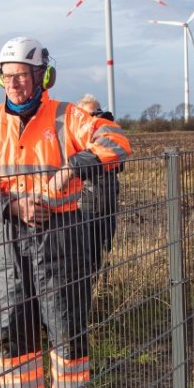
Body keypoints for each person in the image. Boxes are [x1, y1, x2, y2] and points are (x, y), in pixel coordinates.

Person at [0, 37, 131, 388]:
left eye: (22, 75)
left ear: (42, 76)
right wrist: (11, 206)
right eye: (8, 77)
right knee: (10, 326)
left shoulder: (67, 117)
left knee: (65, 321)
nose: (15, 83)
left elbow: (116, 142)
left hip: (60, 233)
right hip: (7, 236)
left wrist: (76, 165)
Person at [75, 94, 123, 273]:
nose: (95, 117)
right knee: (88, 255)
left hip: (108, 206)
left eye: (97, 112)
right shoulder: (77, 138)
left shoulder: (107, 137)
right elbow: (80, 166)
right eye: (90, 114)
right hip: (86, 207)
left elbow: (119, 163)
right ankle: (91, 290)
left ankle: (103, 289)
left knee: (105, 252)